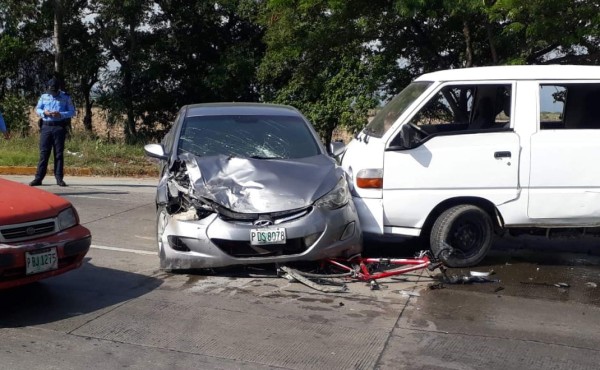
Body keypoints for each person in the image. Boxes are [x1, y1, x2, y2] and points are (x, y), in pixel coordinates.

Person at [30, 77, 75, 187]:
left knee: (58, 154)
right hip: (46, 127)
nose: (53, 94)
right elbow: (37, 109)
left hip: (59, 127)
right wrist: (44, 112)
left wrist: (61, 114)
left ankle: (59, 178)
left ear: (58, 89)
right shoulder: (44, 96)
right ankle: (38, 178)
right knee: (44, 153)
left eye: (54, 92)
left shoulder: (66, 97)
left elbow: (72, 111)